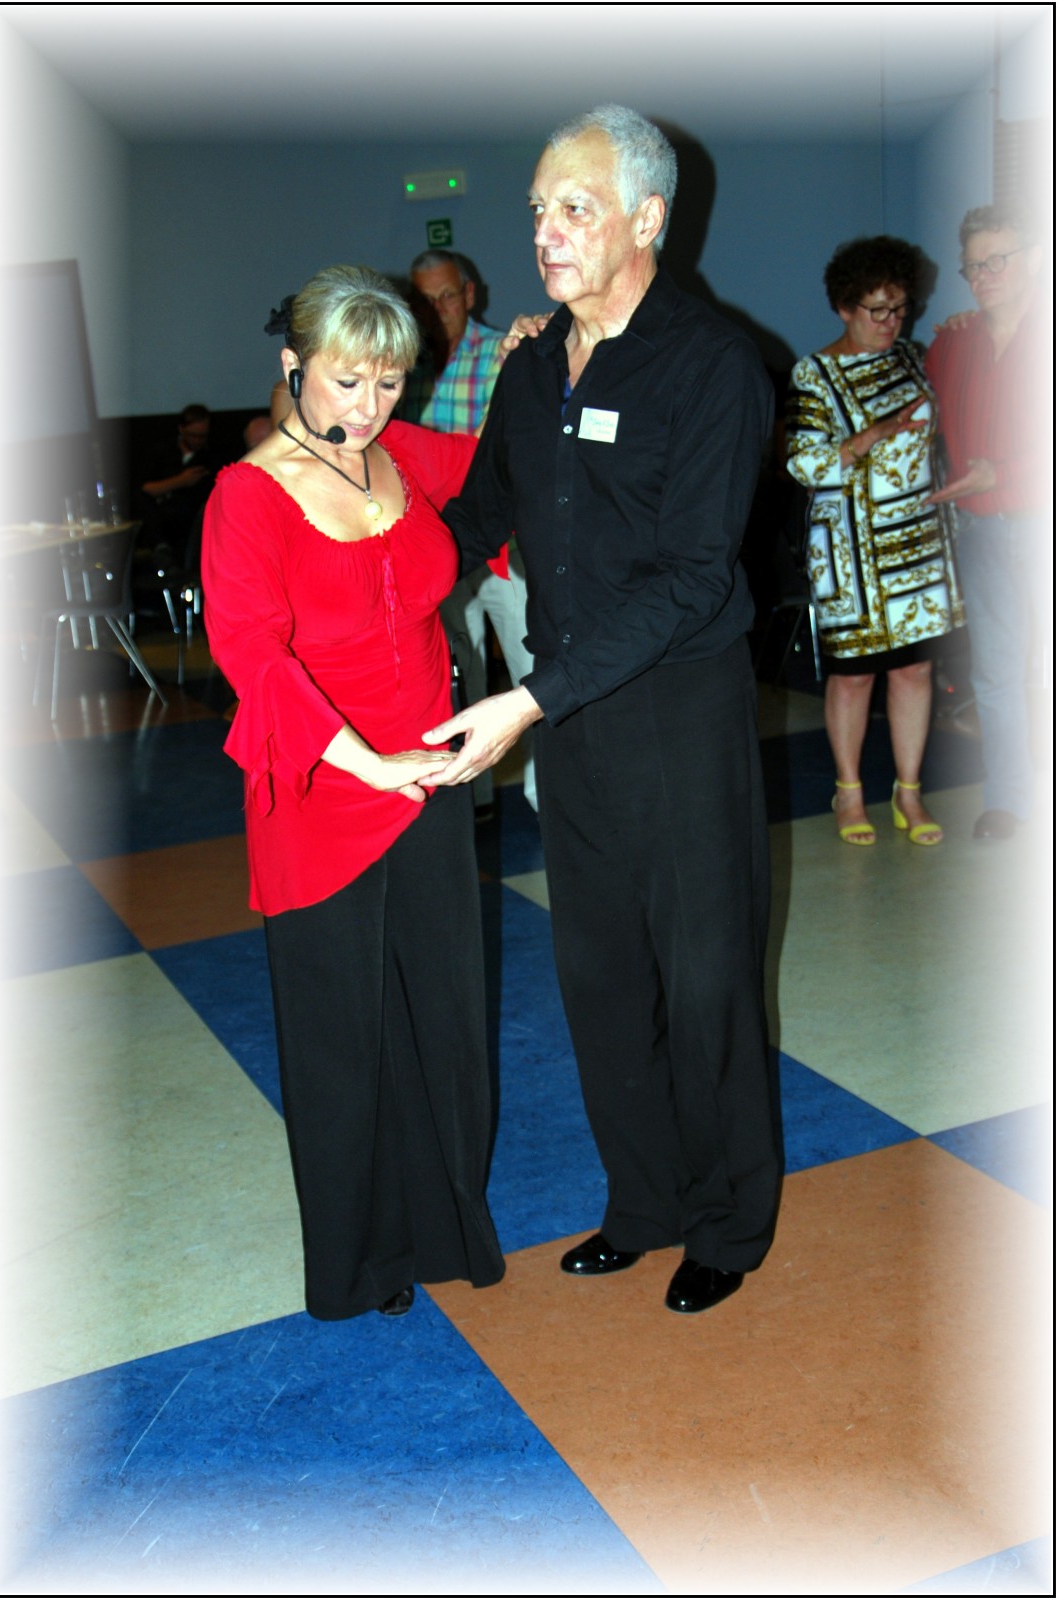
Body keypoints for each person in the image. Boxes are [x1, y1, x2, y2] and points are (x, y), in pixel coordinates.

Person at [424, 105, 782, 1316]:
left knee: (707, 978)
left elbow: (692, 579)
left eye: (575, 208)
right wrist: (358, 582)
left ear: (647, 219)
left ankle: (728, 1221)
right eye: (538, 209)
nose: (547, 231)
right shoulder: (530, 368)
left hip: (678, 717)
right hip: (573, 719)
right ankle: (644, 1202)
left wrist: (525, 700)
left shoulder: (714, 364)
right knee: (601, 975)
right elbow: (476, 520)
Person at [201, 265, 505, 1321]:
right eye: (346, 381)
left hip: (431, 773)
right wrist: (367, 762)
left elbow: (508, 467)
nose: (369, 406)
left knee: (444, 1016)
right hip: (324, 787)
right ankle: (361, 1260)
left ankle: (444, 1225)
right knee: (344, 1034)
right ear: (294, 367)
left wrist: (550, 366)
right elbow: (251, 653)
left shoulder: (400, 454)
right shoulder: (249, 493)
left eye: (388, 382)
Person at [786, 236, 965, 846]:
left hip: (921, 542)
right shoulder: (815, 373)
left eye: (900, 308)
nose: (891, 322)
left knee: (915, 670)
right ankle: (849, 791)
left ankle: (908, 791)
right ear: (844, 307)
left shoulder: (914, 358)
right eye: (877, 310)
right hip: (852, 554)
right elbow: (802, 464)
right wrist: (870, 437)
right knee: (856, 676)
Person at [925, 203, 1049, 841]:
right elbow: (917, 412)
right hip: (983, 533)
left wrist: (1001, 472)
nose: (982, 276)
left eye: (996, 261)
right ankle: (1010, 799)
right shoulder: (952, 343)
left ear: (1034, 259)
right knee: (995, 673)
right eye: (973, 266)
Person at [403, 250, 537, 815]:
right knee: (460, 672)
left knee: (534, 670)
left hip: (503, 545)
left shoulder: (504, 353)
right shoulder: (406, 366)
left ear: (470, 295)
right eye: (426, 300)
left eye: (447, 296)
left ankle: (547, 796)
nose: (439, 309)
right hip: (435, 549)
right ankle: (473, 800)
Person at [140, 402, 218, 562]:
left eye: (202, 436)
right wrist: (181, 481)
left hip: (189, 521)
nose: (197, 440)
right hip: (158, 517)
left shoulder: (211, 457)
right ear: (181, 429)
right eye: (193, 435)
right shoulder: (162, 451)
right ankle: (161, 549)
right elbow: (145, 488)